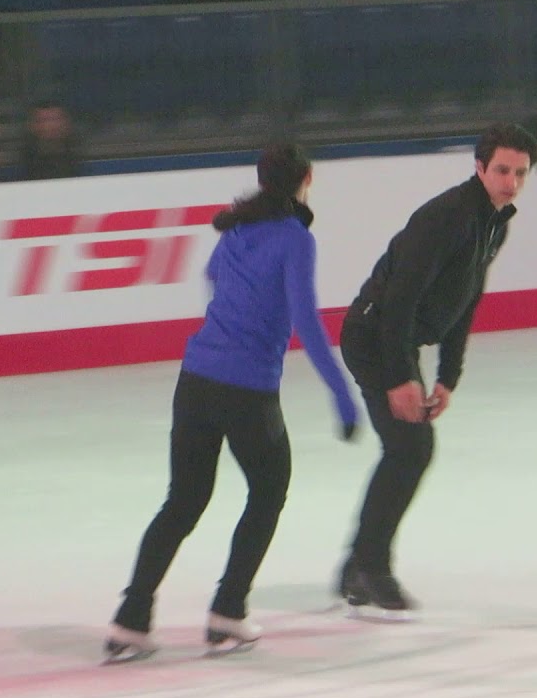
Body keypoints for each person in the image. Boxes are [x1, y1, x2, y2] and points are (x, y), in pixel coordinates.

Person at [105, 144, 359, 663]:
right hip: (247, 389)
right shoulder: (295, 238)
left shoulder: (238, 228)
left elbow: (214, 277)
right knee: (269, 490)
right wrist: (340, 392)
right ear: (306, 179)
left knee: (184, 499)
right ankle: (228, 610)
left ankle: (130, 619)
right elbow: (307, 321)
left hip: (197, 378)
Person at [335, 122, 537, 617]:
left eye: (520, 172)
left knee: (408, 449)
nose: (510, 181)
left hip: (398, 340)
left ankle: (360, 563)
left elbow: (465, 299)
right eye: (500, 170)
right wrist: (401, 375)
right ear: (479, 167)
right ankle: (370, 565)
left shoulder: (494, 220)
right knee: (411, 446)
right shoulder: (447, 216)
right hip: (374, 335)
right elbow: (400, 301)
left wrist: (450, 375)